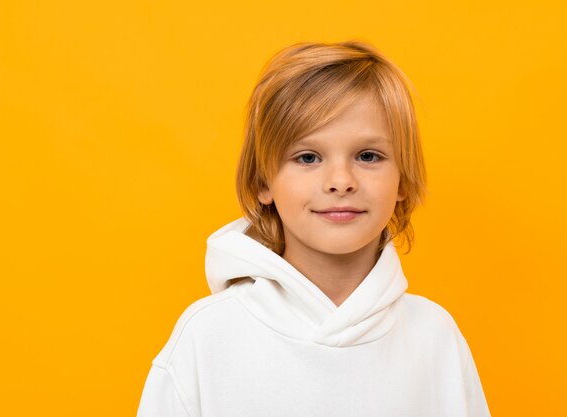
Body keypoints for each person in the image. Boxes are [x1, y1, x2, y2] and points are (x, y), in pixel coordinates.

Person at [136, 40, 491, 417]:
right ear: (263, 182)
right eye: (308, 157)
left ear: (402, 180)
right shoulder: (207, 337)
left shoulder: (434, 337)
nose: (340, 181)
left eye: (368, 156)